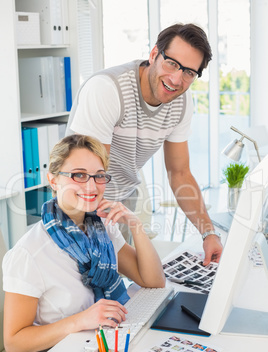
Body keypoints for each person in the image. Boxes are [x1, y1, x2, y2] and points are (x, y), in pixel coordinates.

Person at [2, 135, 165, 352]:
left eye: (99, 176)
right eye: (78, 175)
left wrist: (135, 225)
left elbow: (153, 280)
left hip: (99, 346)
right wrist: (80, 320)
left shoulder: (102, 228)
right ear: (53, 180)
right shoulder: (30, 253)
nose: (91, 186)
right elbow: (14, 343)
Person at [66, 22, 223, 265]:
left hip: (121, 204)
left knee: (122, 291)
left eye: (189, 72)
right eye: (171, 63)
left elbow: (180, 173)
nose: (176, 79)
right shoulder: (107, 89)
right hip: (80, 204)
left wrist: (208, 233)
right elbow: (91, 176)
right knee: (88, 293)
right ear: (153, 55)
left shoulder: (181, 102)